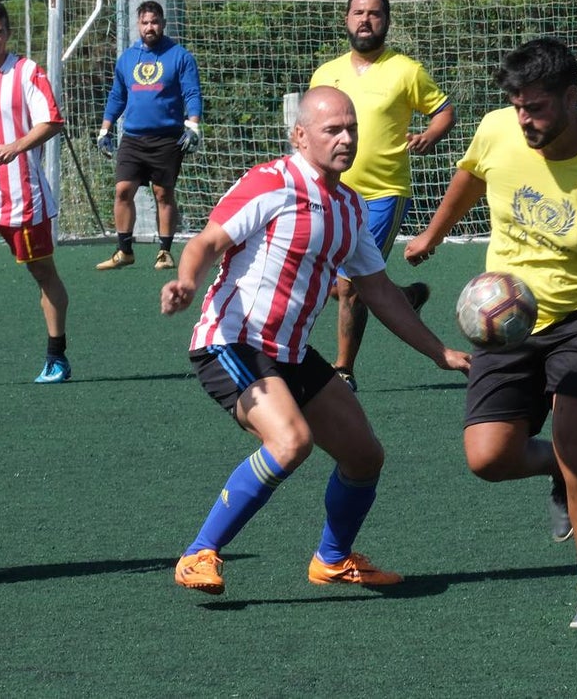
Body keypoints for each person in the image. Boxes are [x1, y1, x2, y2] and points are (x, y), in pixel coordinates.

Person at [406, 37, 577, 629]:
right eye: (517, 107)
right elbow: (472, 176)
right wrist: (432, 233)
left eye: (535, 107)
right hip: (507, 317)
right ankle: (554, 468)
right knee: (488, 458)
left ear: (571, 97)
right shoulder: (497, 131)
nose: (524, 120)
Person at [160, 86, 469, 596]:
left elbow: (379, 290)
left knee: (364, 456)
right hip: (232, 342)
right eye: (332, 130)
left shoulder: (349, 206)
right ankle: (198, 554)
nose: (346, 138)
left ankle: (333, 559)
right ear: (300, 136)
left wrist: (441, 353)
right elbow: (208, 241)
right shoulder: (271, 182)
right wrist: (187, 281)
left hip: (292, 353)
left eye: (351, 128)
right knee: (290, 442)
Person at [309, 0, 456, 392]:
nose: (365, 20)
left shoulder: (406, 71)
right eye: (358, 12)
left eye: (374, 13)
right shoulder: (325, 74)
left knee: (350, 285)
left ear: (386, 22)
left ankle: (344, 369)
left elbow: (444, 111)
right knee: (334, 283)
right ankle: (402, 298)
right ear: (346, 19)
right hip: (332, 192)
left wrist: (429, 135)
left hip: (383, 193)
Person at [0, 0, 72, 384]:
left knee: (43, 272)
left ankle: (56, 357)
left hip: (23, 199)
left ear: (8, 34)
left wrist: (16, 146)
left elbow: (51, 121)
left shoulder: (26, 72)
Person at [95, 0, 203, 271]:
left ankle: (164, 251)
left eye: (154, 22)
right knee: (122, 191)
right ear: (138, 25)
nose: (149, 27)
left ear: (163, 24)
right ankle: (124, 250)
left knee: (163, 194)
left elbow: (192, 92)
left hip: (167, 138)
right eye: (145, 23)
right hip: (132, 138)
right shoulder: (127, 58)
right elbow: (117, 95)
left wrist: (193, 125)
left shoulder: (180, 56)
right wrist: (105, 129)